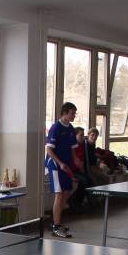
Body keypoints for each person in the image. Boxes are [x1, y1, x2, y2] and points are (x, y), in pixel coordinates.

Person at [45, 102, 82, 238]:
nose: (74, 116)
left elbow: (72, 149)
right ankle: (56, 226)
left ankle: (56, 221)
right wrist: (60, 163)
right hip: (55, 166)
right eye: (72, 113)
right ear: (65, 113)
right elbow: (49, 150)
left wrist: (76, 160)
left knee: (67, 192)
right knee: (59, 194)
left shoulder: (71, 128)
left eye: (74, 113)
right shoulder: (56, 127)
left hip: (66, 165)